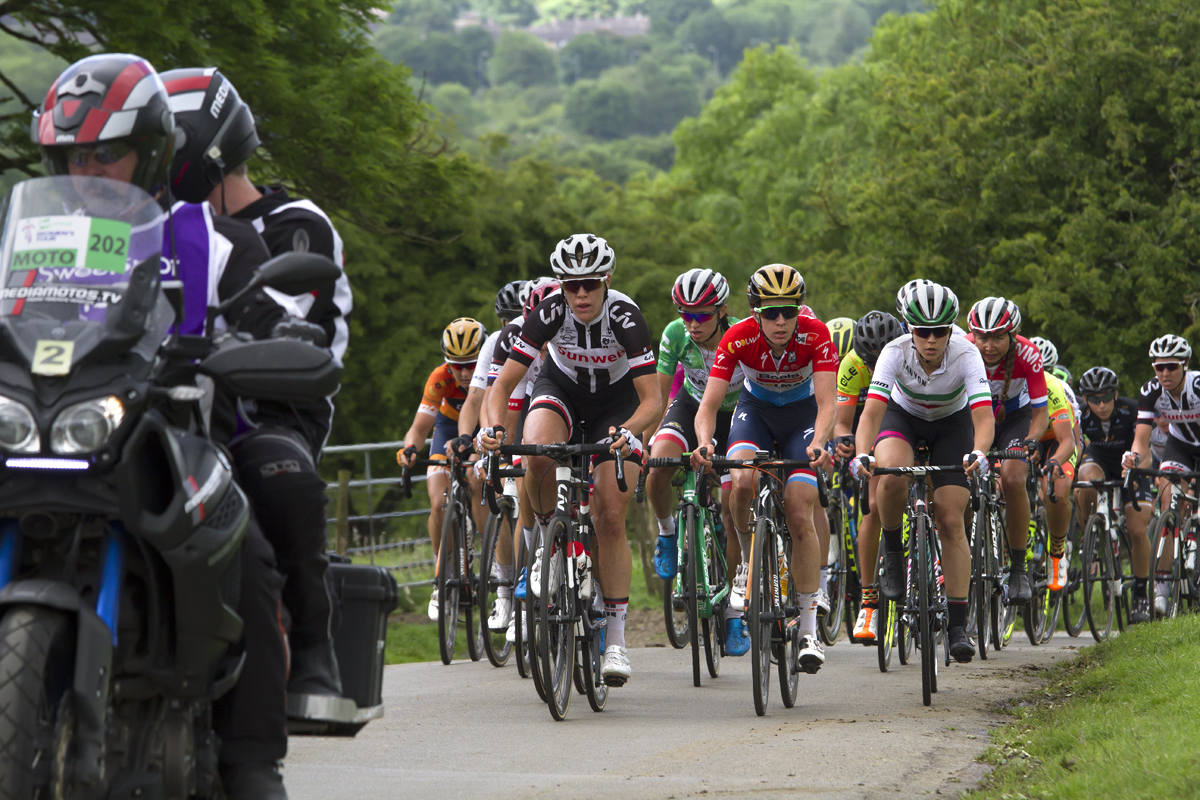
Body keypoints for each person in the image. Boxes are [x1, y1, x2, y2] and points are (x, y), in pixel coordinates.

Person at [34, 54, 295, 798]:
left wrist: (259, 343)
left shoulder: (211, 241)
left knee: (251, 561)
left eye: (104, 152)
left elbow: (269, 319)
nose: (87, 168)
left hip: (173, 440)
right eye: (72, 155)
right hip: (50, 437)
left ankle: (252, 764)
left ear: (150, 151)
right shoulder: (28, 243)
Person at [162, 67, 353, 702]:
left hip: (276, 401)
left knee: (285, 481)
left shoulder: (297, 223)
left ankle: (312, 647)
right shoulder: (153, 227)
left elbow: (293, 330)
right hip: (164, 395)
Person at [481, 235, 660, 686]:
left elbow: (652, 400)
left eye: (590, 285)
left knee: (610, 516)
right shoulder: (548, 313)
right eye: (571, 285)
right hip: (563, 392)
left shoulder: (625, 317)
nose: (581, 294)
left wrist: (629, 432)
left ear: (606, 281)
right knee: (536, 449)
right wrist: (492, 429)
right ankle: (546, 538)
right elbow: (501, 387)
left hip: (618, 407)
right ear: (561, 285)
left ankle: (616, 640)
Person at [692, 264, 837, 672]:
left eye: (788, 312)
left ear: (799, 310)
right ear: (755, 310)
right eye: (771, 312)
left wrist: (819, 442)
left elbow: (828, 404)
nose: (780, 321)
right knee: (740, 481)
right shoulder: (738, 338)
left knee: (799, 508)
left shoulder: (816, 334)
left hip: (801, 418)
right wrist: (705, 443)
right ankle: (745, 564)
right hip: (754, 412)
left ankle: (808, 628)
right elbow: (708, 406)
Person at [852, 280, 994, 663]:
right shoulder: (893, 352)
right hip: (905, 417)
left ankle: (958, 626)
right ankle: (894, 553)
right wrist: (863, 453)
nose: (930, 340)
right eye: (922, 332)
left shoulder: (966, 353)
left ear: (952, 330)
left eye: (939, 332)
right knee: (892, 474)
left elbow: (983, 416)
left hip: (952, 423)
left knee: (950, 518)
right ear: (908, 329)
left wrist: (980, 452)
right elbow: (872, 413)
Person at [645, 269, 747, 654]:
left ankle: (735, 612)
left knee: (733, 507)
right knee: (659, 464)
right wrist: (643, 442)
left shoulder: (740, 334)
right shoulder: (675, 335)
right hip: (691, 406)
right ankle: (668, 532)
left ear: (721, 311)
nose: (692, 323)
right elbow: (657, 397)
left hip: (735, 413)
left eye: (701, 315)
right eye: (685, 314)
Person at [398, 318, 488, 620]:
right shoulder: (440, 378)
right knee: (438, 503)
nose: (464, 373)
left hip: (482, 428)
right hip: (448, 427)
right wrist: (410, 449)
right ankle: (441, 575)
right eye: (456, 365)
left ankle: (492, 558)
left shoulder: (492, 372)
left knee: (476, 481)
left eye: (471, 364)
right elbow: (419, 427)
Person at [965, 297, 1049, 604]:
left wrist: (1031, 440)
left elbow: (1040, 415)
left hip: (1014, 418)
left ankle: (1017, 567)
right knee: (957, 477)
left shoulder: (1028, 353)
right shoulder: (960, 348)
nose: (988, 345)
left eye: (998, 337)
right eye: (982, 337)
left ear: (1011, 336)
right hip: (974, 416)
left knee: (1013, 478)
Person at [832, 310, 905, 642]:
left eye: (882, 358)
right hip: (870, 424)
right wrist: (844, 442)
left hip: (905, 419)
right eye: (869, 360)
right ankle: (869, 601)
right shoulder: (851, 365)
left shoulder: (910, 356)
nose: (876, 367)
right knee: (872, 506)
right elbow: (843, 421)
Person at [1125, 335, 1200, 619]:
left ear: (1185, 364)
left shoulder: (1197, 386)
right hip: (1180, 447)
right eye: (1159, 367)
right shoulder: (1151, 391)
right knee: (1170, 504)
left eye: (1171, 367)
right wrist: (1132, 457)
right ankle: (1163, 588)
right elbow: (1141, 439)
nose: (1165, 373)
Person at [1073, 367, 1155, 622]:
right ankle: (1091, 531)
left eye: (1107, 397)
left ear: (1116, 394)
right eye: (1094, 399)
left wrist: (1135, 465)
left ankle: (1141, 593)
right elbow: (1075, 447)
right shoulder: (1081, 414)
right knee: (1084, 480)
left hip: (1132, 464)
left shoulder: (1131, 410)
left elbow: (1146, 449)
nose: (1101, 405)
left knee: (1138, 530)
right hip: (1099, 461)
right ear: (1085, 399)